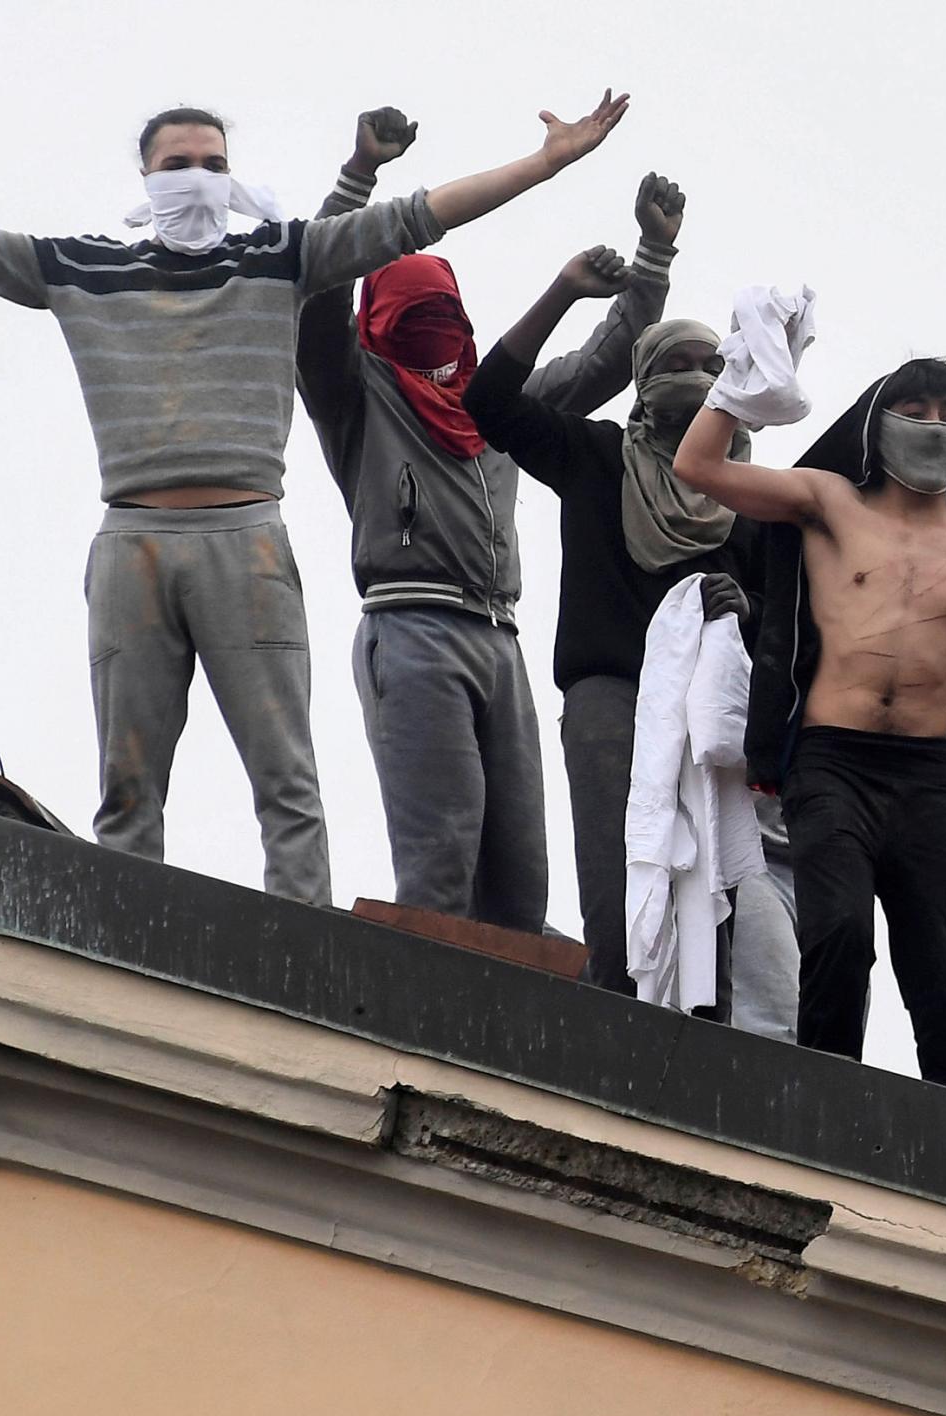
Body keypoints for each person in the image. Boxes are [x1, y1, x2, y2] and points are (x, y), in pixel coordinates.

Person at [0, 95, 631, 904]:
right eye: (177, 164)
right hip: (134, 541)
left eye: (214, 164)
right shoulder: (79, 268)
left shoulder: (277, 261)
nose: (196, 179)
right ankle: (130, 944)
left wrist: (547, 163)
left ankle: (304, 946)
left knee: (286, 780)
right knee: (129, 781)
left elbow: (414, 220)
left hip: (248, 539)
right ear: (144, 176)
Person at [674, 355, 946, 1093]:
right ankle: (826, 1102)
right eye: (917, 408)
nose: (933, 425)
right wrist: (745, 368)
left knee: (940, 970)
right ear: (879, 419)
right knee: (836, 934)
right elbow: (698, 464)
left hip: (930, 777)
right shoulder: (830, 502)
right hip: (831, 761)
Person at [457, 182, 772, 1000]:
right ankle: (618, 1021)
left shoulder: (750, 494)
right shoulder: (594, 456)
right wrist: (565, 290)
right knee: (615, 868)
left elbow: (785, 615)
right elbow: (489, 403)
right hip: (610, 696)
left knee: (715, 874)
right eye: (675, 362)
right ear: (641, 377)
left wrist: (751, 613)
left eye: (713, 364)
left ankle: (713, 1039)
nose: (697, 376)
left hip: (711, 706)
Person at [294, 107, 594, 930]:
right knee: (440, 863)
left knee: (522, 882)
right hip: (413, 625)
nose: (435, 330)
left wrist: (649, 266)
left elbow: (603, 362)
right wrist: (358, 176)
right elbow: (315, 290)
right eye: (411, 313)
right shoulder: (354, 393)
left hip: (502, 638)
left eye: (446, 314)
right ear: (376, 322)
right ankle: (422, 1039)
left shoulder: (494, 404)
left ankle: (511, 1050)